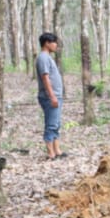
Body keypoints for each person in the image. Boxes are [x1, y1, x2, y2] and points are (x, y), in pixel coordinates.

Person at [36, 32, 65, 160]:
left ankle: (57, 150)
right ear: (47, 43)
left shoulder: (48, 57)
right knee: (51, 125)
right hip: (49, 97)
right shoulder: (43, 58)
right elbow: (45, 77)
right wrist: (52, 96)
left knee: (56, 124)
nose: (56, 45)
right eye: (54, 42)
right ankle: (50, 153)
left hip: (56, 95)